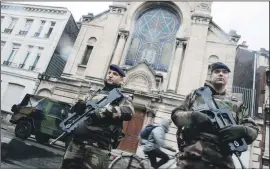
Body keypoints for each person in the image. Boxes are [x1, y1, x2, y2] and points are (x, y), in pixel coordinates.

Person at [171, 62, 259, 169]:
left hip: (222, 161)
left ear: (228, 77)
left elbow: (253, 129)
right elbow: (176, 115)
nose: (221, 74)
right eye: (217, 71)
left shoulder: (236, 104)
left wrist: (241, 130)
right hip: (191, 157)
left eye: (224, 72)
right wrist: (192, 116)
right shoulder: (195, 95)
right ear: (211, 76)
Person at [60, 64, 135, 169]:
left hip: (98, 147)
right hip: (77, 143)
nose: (110, 75)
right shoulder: (94, 92)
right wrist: (77, 107)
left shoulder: (124, 97)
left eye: (115, 74)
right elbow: (76, 108)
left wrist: (104, 112)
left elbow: (128, 112)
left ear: (122, 80)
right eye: (109, 73)